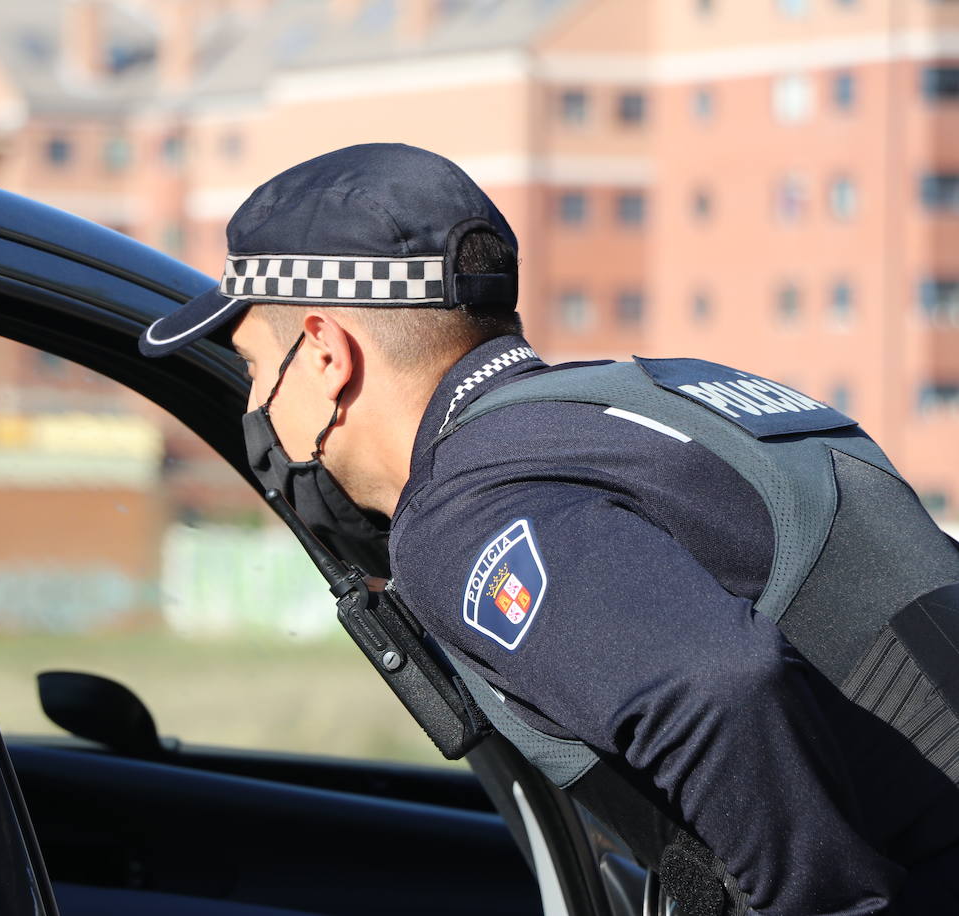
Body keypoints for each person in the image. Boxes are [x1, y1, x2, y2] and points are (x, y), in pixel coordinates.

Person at [139, 143, 959, 915]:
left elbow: (717, 682)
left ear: (325, 354)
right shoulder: (648, 406)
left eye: (254, 367)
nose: (256, 409)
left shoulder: (467, 504)